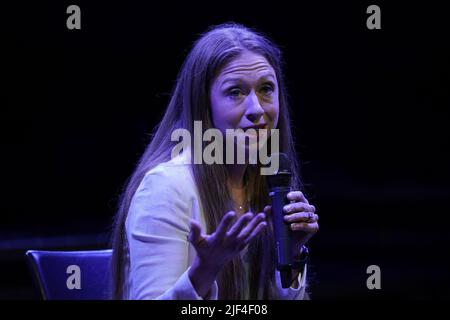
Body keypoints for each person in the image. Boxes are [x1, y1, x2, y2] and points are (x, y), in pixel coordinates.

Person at [110, 22, 319, 300]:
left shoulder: (265, 183)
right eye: (235, 92)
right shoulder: (165, 188)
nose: (257, 109)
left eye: (266, 89)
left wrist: (290, 253)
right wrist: (204, 270)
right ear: (203, 105)